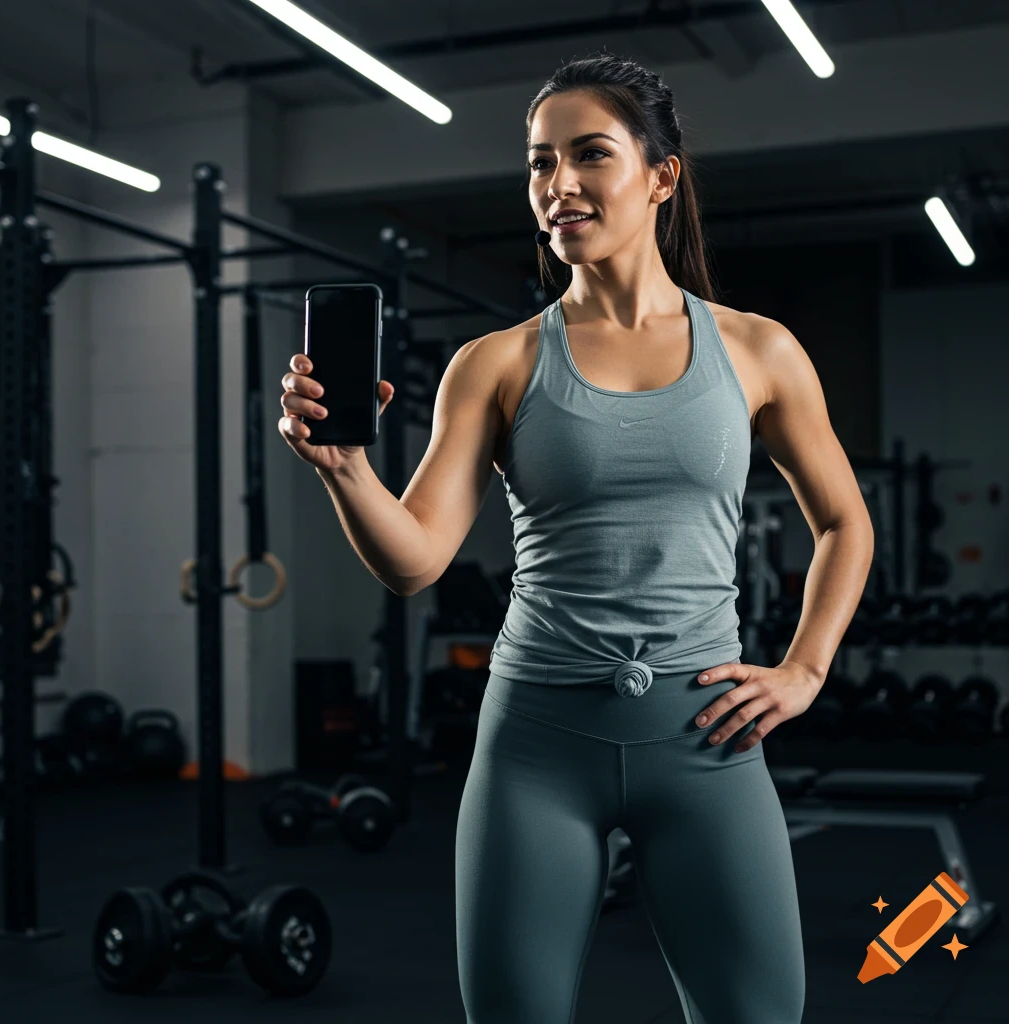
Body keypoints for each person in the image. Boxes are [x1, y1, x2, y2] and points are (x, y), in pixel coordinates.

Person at [279, 52, 874, 1024]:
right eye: (539, 162)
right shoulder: (496, 362)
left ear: (661, 176)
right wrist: (342, 467)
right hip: (536, 744)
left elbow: (845, 521)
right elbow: (415, 560)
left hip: (705, 739)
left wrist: (805, 670)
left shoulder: (757, 349)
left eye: (589, 154)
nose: (558, 184)